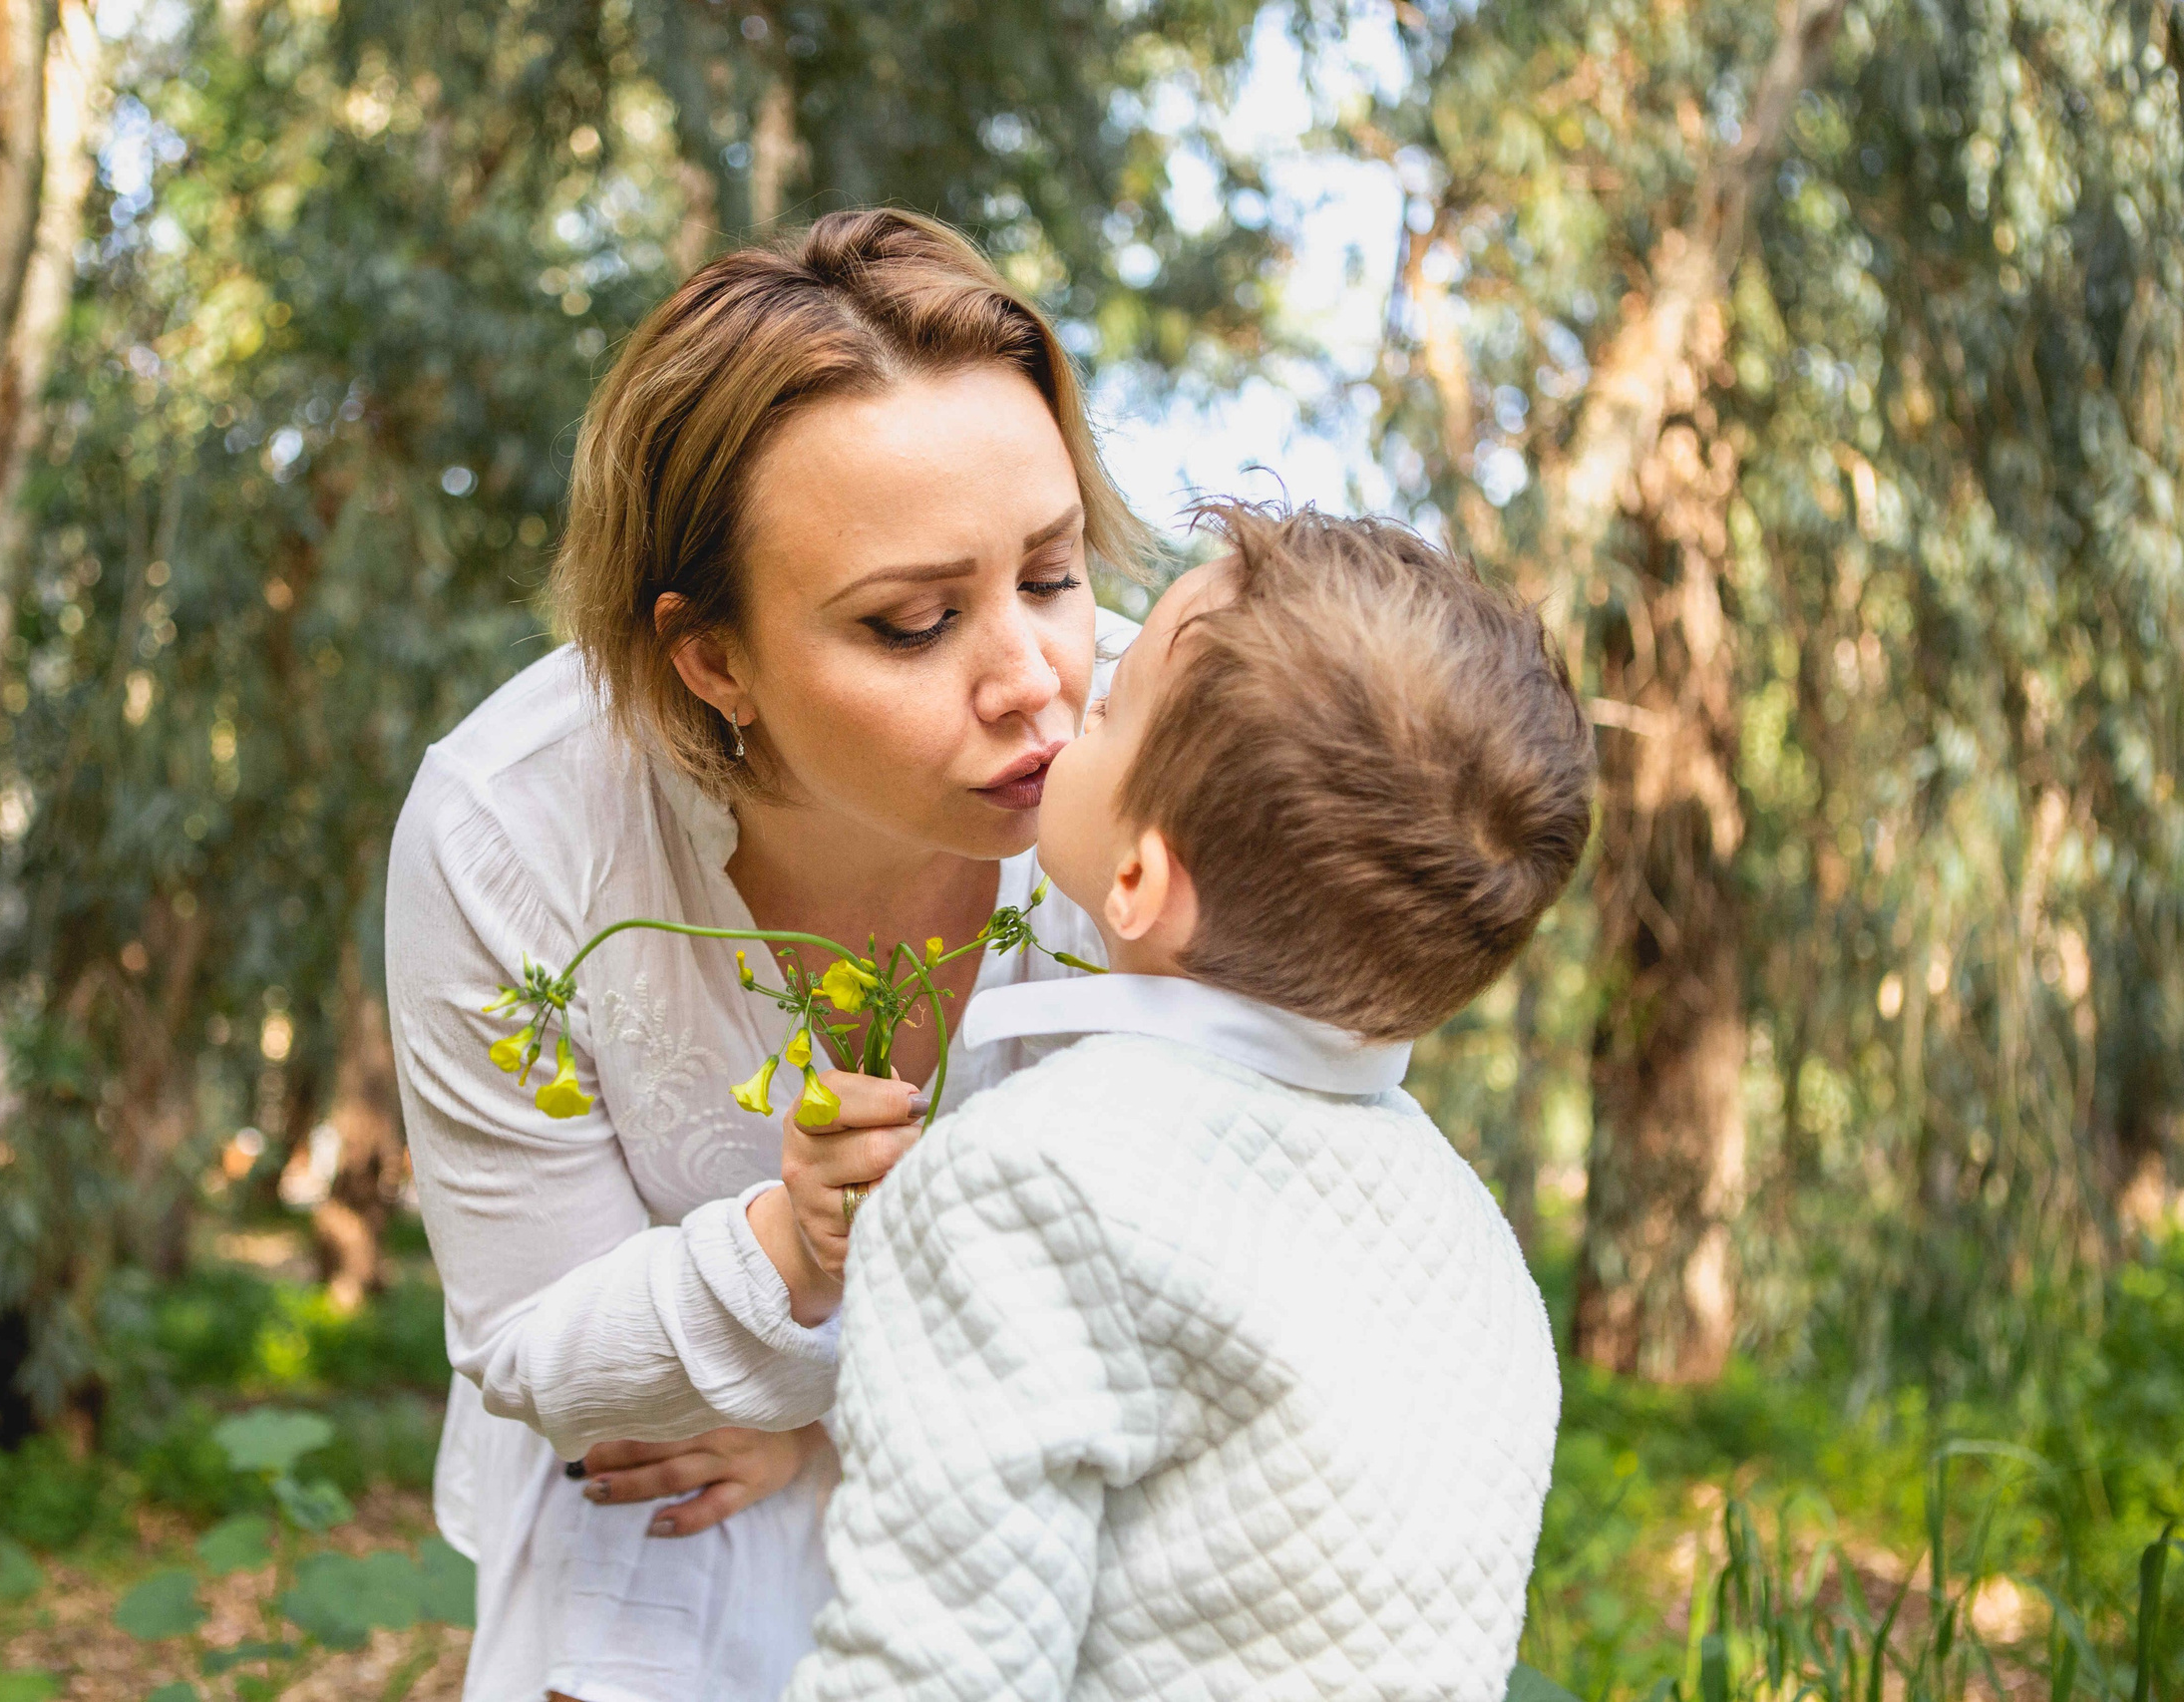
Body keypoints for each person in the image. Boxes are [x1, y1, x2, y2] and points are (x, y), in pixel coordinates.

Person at [384, 206, 1145, 1702]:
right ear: (712, 658)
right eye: (915, 621)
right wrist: (788, 1254)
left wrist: (834, 1414)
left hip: (1049, 1494)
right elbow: (538, 1345)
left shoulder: (1167, 769)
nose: (1034, 682)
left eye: (1052, 575)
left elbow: (1220, 1267)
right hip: (663, 1497)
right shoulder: (511, 831)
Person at [783, 501, 1598, 1702]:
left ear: (1135, 880)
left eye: (1109, 711)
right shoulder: (1470, 1239)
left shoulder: (1021, 1182)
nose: (1068, 698)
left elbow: (929, 1669)